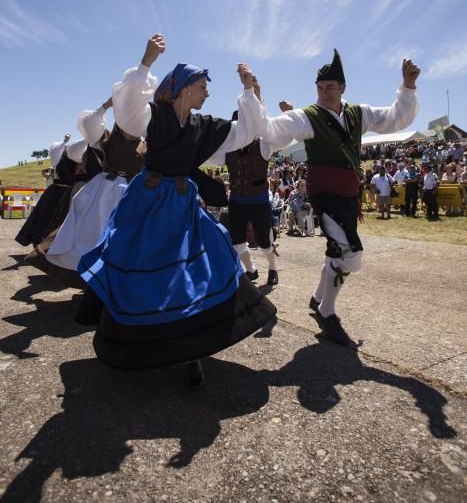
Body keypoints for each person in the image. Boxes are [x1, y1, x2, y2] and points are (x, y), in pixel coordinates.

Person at [75, 34, 276, 389]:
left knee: (201, 264)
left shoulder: (204, 127)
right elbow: (129, 114)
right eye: (203, 87)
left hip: (182, 205)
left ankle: (191, 350)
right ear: (185, 89)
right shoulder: (155, 116)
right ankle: (136, 346)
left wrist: (249, 93)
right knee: (140, 269)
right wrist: (145, 63)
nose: (207, 94)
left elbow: (244, 133)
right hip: (148, 204)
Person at [256, 49, 420, 346]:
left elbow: (395, 118)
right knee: (350, 255)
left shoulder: (359, 113)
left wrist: (407, 87)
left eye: (330, 87)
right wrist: (256, 101)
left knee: (338, 250)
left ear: (342, 87)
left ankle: (318, 298)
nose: (324, 93)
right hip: (324, 194)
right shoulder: (309, 116)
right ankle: (327, 312)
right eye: (320, 88)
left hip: (349, 193)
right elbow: (275, 129)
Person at [34, 98, 146, 288]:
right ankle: (92, 283)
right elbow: (88, 123)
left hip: (132, 194)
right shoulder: (107, 138)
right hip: (104, 195)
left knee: (126, 244)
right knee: (91, 238)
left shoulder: (145, 143)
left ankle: (117, 285)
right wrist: (106, 106)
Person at [209, 78, 279, 287]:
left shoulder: (264, 145)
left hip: (258, 201)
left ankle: (273, 268)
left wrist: (258, 93)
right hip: (237, 201)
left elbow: (263, 120)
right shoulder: (227, 150)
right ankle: (251, 270)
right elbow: (206, 155)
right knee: (238, 241)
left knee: (265, 242)